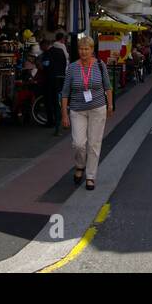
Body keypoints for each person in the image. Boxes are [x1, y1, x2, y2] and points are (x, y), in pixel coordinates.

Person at [61, 35, 112, 191]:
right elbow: (65, 93)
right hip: (77, 109)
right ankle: (80, 165)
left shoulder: (100, 65)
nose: (83, 52)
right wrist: (64, 114)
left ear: (92, 50)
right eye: (81, 49)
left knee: (94, 144)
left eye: (86, 49)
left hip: (97, 108)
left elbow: (107, 86)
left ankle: (90, 176)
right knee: (79, 144)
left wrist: (110, 105)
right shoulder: (72, 68)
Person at [40, 32, 69, 135]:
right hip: (60, 79)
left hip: (50, 80)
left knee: (49, 101)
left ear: (44, 46)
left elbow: (45, 66)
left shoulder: (47, 54)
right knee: (57, 101)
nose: (41, 49)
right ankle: (58, 120)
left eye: (41, 47)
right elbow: (65, 63)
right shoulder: (60, 51)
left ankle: (51, 122)